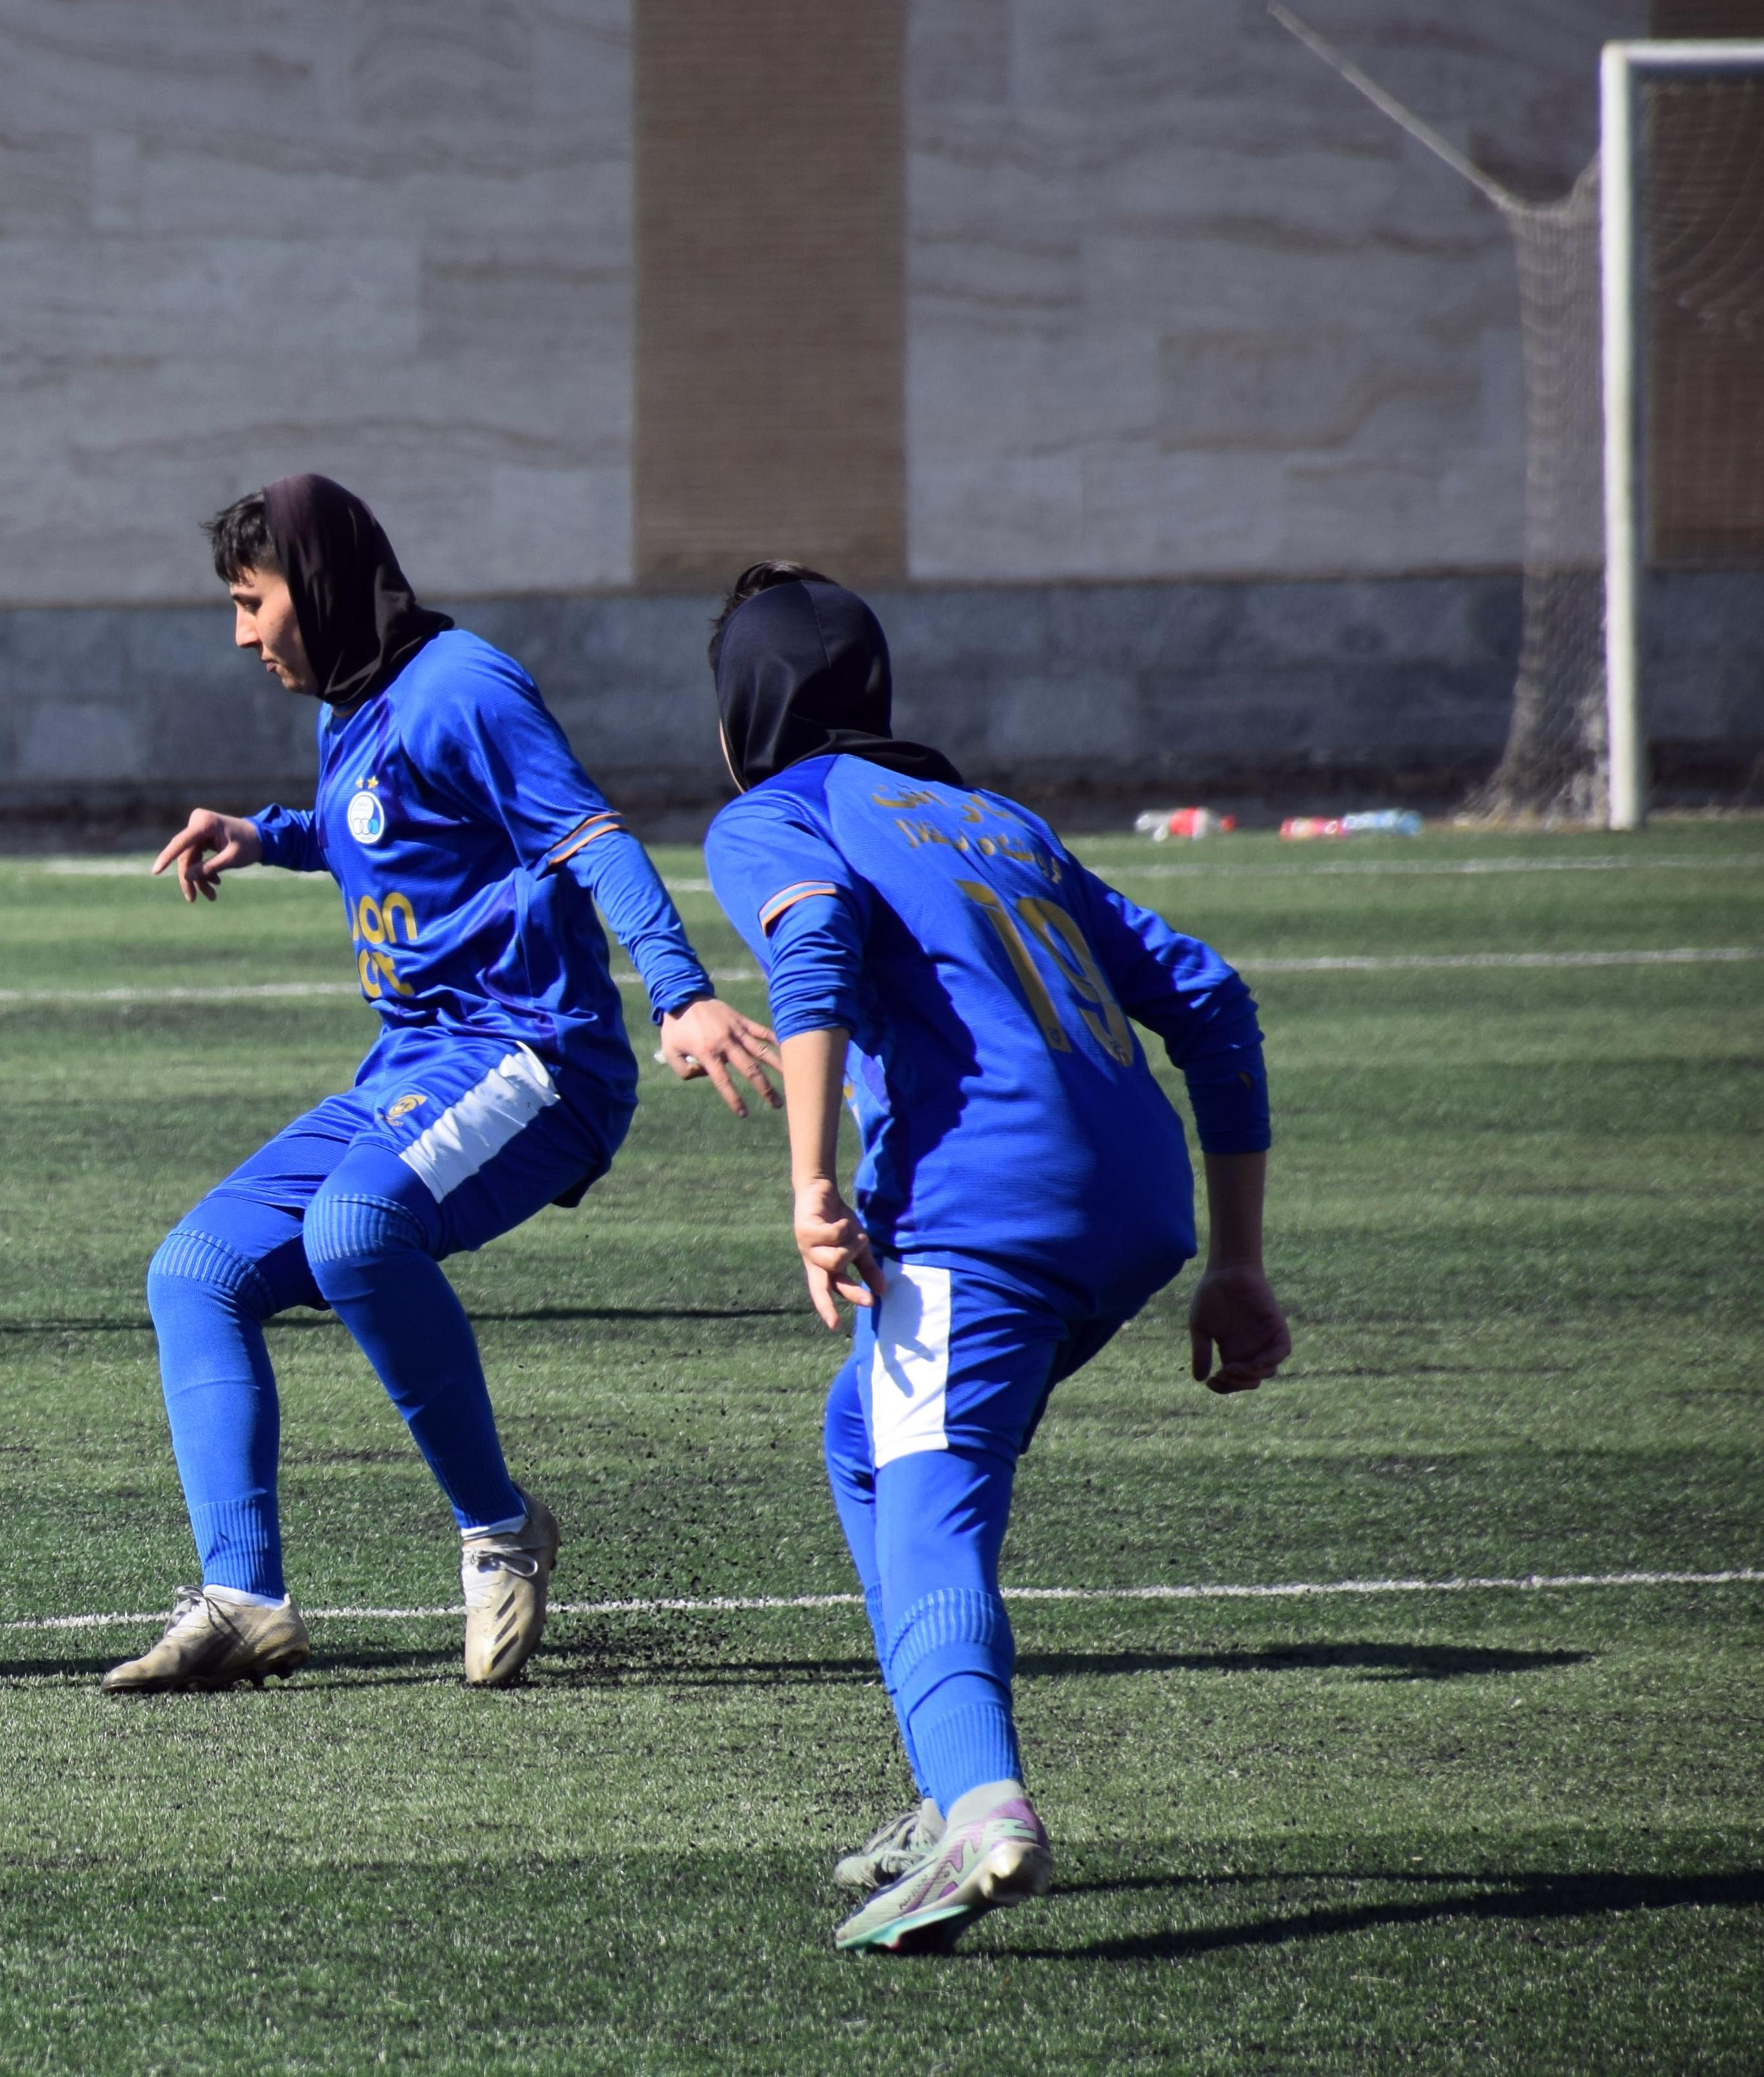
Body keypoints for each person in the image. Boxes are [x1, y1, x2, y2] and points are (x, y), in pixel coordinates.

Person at [696, 563, 1291, 1952]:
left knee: (935, 1492)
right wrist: (1239, 1263)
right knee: (866, 1435)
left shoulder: (773, 813)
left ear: (746, 707)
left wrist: (808, 1185)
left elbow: (817, 949)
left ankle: (981, 1805)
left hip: (986, 1205)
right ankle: (937, 1778)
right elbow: (1207, 997)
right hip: (1137, 1204)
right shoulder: (991, 819)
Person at [107, 474, 782, 1695]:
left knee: (357, 1229)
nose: (242, 635)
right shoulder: (356, 699)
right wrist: (267, 833)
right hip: (419, 1063)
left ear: (313, 585)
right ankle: (243, 1597)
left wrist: (680, 994)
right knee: (193, 1272)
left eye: (253, 604)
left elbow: (592, 839)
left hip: (537, 1053)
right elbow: (379, 825)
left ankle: (502, 1531)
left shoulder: (466, 685)